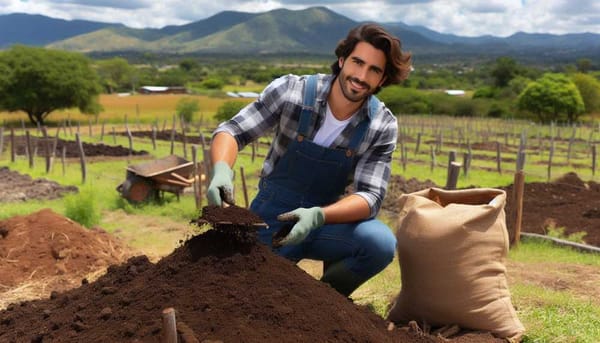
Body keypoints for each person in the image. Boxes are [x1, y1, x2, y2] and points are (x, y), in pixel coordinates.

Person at [207, 23, 412, 297]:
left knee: (379, 243)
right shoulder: (292, 92)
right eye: (357, 62)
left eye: (374, 70)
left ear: (382, 79)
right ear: (341, 60)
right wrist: (221, 170)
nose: (361, 76)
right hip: (271, 219)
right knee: (246, 295)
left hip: (324, 222)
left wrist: (319, 215)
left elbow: (371, 196)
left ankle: (323, 303)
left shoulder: (381, 125)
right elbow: (233, 131)